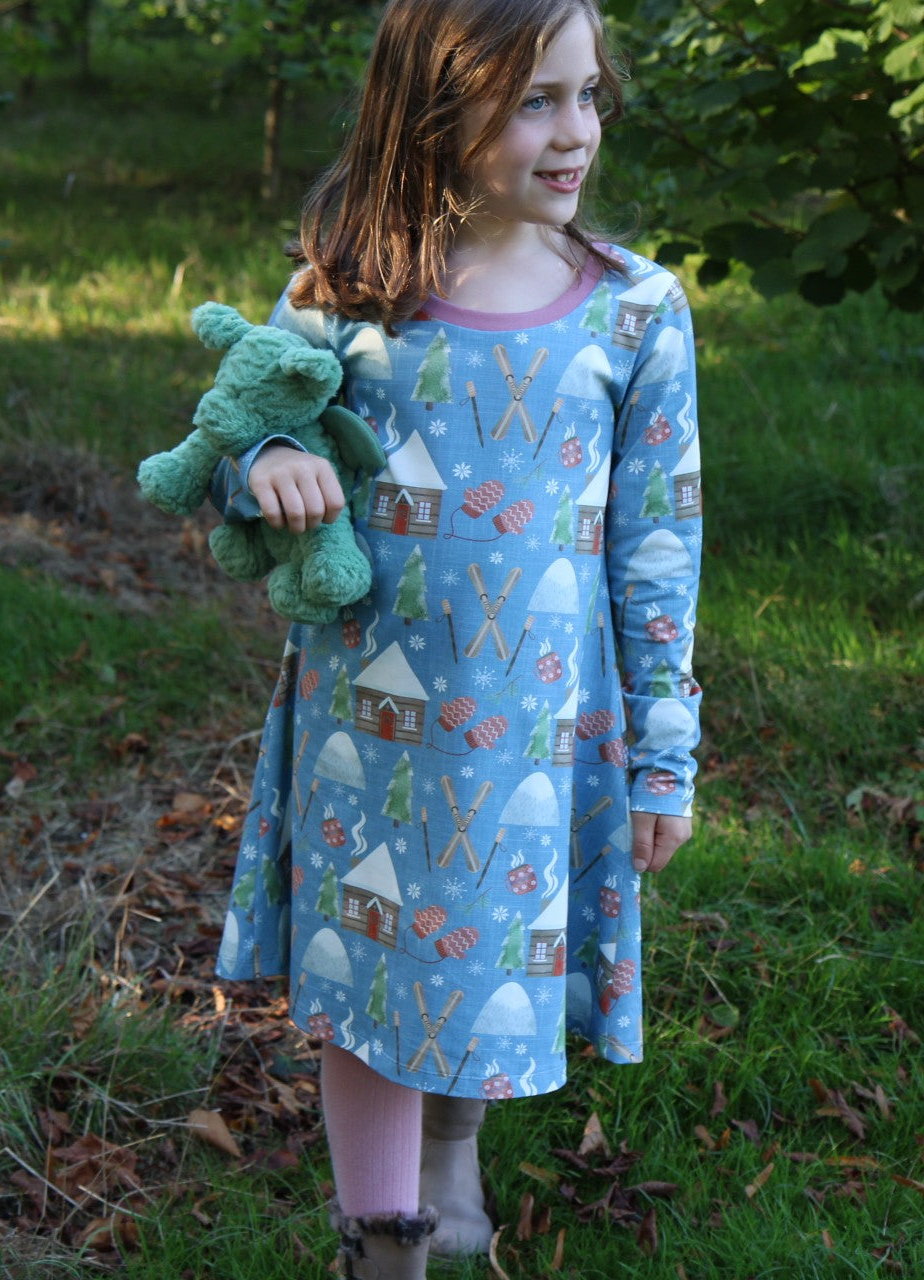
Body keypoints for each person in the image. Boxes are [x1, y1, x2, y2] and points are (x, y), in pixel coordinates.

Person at [208, 1, 702, 1275]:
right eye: (534, 101)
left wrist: (663, 754)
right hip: (365, 723)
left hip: (537, 729)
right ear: (432, 109)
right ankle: (383, 1243)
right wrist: (264, 463)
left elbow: (656, 550)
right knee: (370, 974)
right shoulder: (344, 297)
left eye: (587, 96)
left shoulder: (635, 310)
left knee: (486, 954)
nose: (574, 132)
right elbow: (238, 430)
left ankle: (449, 1145)